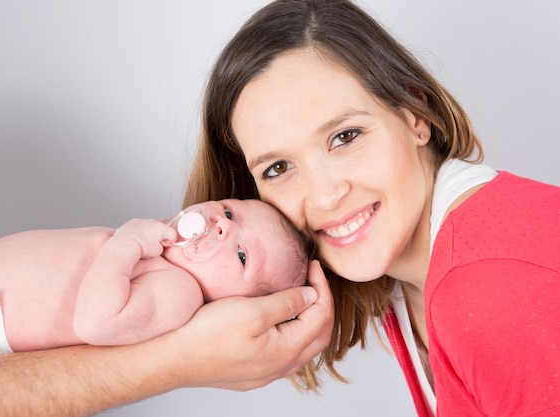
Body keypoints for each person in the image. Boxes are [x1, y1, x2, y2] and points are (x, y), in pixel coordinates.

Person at [183, 0, 560, 416]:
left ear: (415, 115)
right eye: (278, 168)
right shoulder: (406, 276)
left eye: (346, 136)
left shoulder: (487, 286)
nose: (325, 196)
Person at [0, 199, 312, 355]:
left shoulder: (179, 292)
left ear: (236, 305)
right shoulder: (161, 252)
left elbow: (96, 322)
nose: (223, 227)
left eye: (243, 256)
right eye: (231, 212)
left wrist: (127, 243)